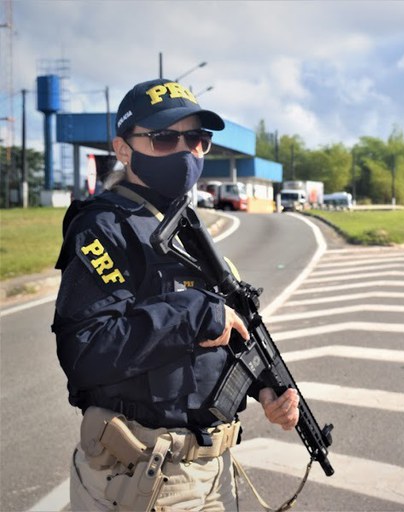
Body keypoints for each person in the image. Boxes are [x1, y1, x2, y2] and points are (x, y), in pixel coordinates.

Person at [52, 78, 300, 511]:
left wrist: (263, 389)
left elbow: (215, 336)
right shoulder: (104, 227)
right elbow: (86, 353)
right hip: (141, 473)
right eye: (165, 138)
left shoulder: (184, 224)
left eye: (197, 139)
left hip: (209, 468)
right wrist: (195, 314)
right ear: (124, 149)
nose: (186, 151)